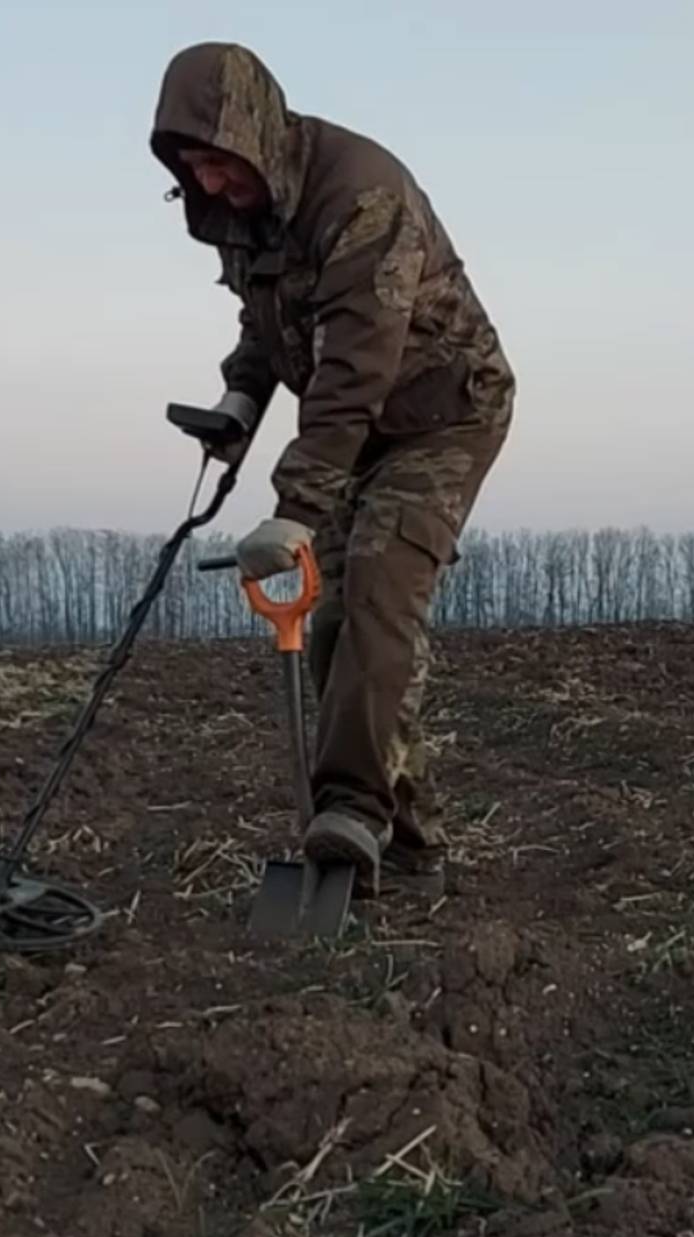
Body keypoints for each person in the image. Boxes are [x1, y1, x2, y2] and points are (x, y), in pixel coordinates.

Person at [150, 41, 513, 898]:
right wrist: (240, 398)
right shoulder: (254, 212)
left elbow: (355, 364)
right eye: (193, 167)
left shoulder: (361, 196)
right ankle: (409, 846)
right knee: (331, 628)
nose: (209, 184)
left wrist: (295, 506)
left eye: (220, 163)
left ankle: (349, 809)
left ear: (258, 138)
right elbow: (269, 323)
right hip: (351, 429)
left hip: (440, 416)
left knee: (381, 590)